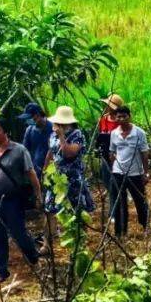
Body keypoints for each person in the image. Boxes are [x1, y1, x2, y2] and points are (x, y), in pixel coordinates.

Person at [0, 118, 42, 284]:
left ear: (5, 132)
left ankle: (34, 258)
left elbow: (31, 174)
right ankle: (1, 272)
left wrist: (38, 195)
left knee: (19, 233)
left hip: (12, 200)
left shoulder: (19, 150)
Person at [42, 107, 94, 251]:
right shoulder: (53, 135)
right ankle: (47, 243)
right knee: (50, 209)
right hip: (57, 178)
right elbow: (51, 151)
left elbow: (69, 153)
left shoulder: (77, 135)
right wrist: (45, 170)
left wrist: (62, 137)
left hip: (73, 179)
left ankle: (80, 241)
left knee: (76, 209)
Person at [107, 106, 149, 238]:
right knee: (119, 202)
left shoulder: (139, 133)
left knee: (140, 200)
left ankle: (145, 226)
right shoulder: (114, 133)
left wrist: (145, 172)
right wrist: (111, 161)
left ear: (129, 116)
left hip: (135, 172)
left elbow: (144, 153)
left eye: (124, 116)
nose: (121, 119)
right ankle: (120, 232)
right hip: (118, 171)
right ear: (116, 118)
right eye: (118, 116)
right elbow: (112, 151)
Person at [95, 95, 122, 222]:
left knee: (113, 184)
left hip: (117, 157)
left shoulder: (120, 122)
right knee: (107, 182)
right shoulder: (103, 120)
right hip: (105, 156)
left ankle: (114, 212)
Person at [18, 103, 52, 181]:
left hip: (51, 171)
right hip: (34, 172)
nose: (29, 120)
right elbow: (25, 151)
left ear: (38, 114)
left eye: (31, 117)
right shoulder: (29, 130)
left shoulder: (53, 128)